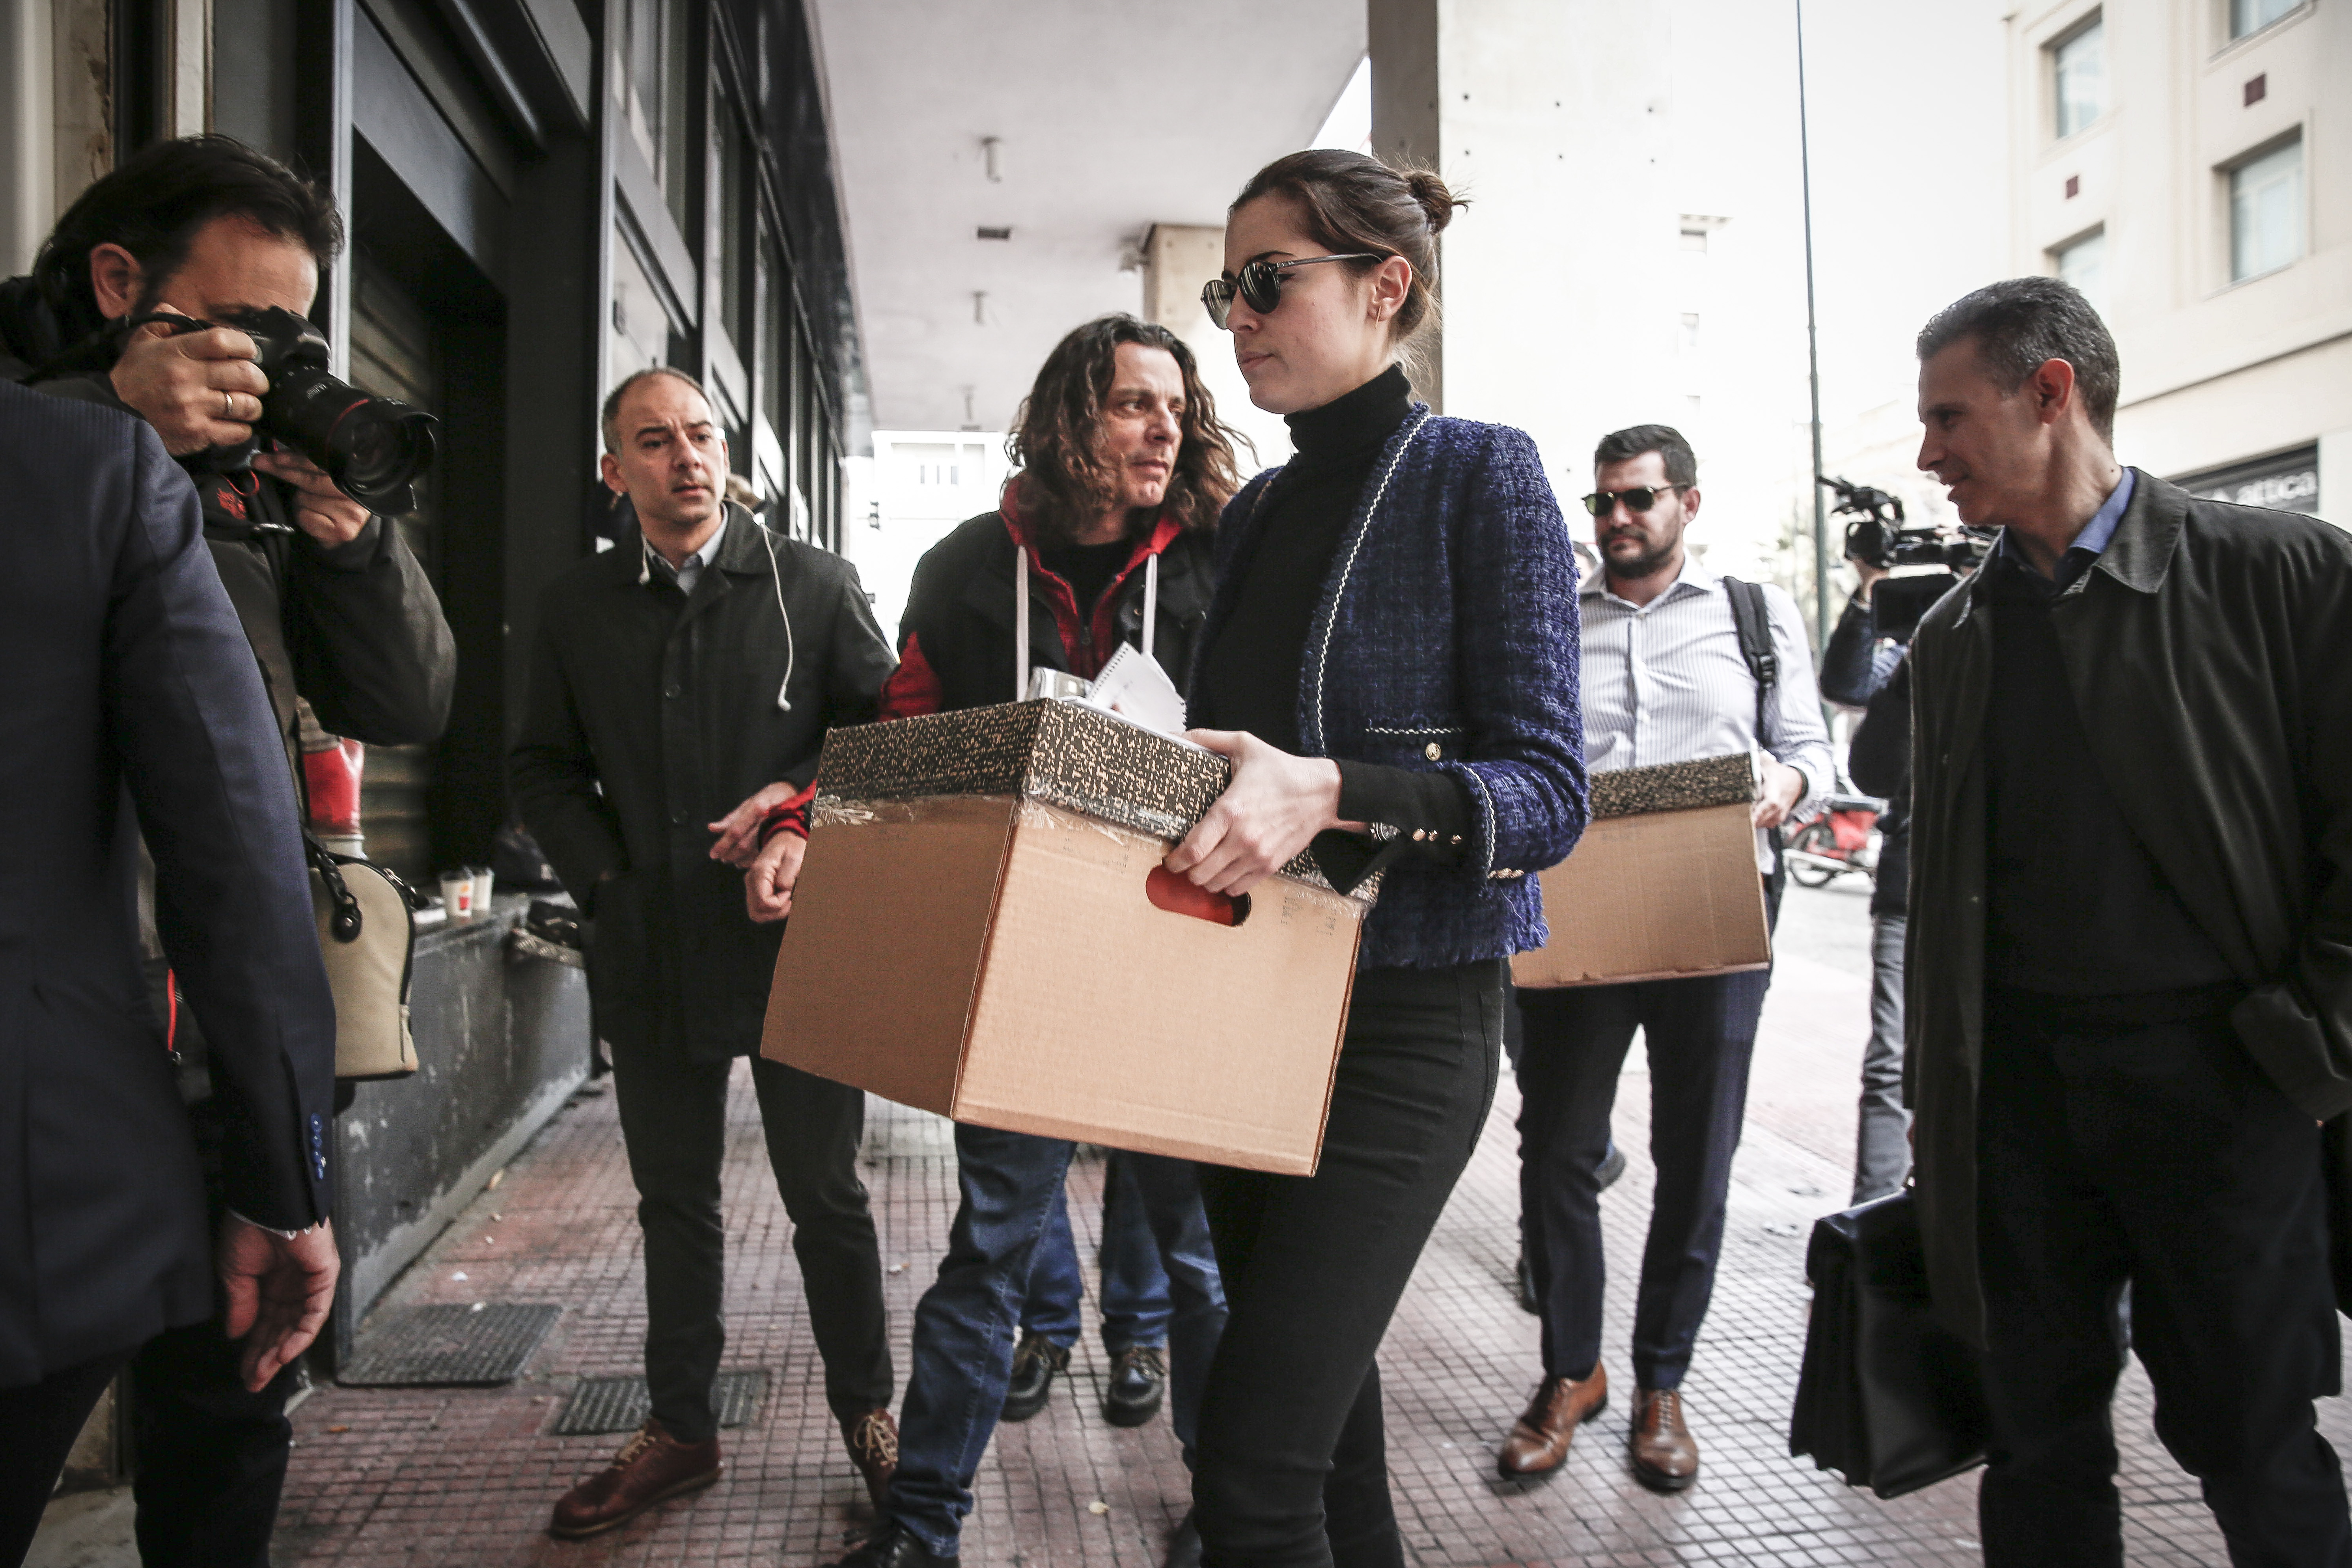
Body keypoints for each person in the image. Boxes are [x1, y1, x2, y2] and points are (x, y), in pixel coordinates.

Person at [0, 134, 454, 1568]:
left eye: (293, 337)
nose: (269, 369)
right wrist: (113, 418)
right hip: (76, 1046)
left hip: (235, 1041)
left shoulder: (259, 489)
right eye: (241, 326)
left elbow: (412, 701)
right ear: (118, 284)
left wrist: (349, 537)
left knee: (235, 1413)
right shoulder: (53, 435)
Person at [1173, 149, 1587, 1568]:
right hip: (1245, 1011)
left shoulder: (1480, 473)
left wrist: (1333, 791)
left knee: (1247, 1471)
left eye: (1266, 280)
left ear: (1382, 284)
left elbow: (1547, 795)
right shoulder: (1257, 512)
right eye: (1226, 292)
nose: (1237, 315)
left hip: (1406, 1021)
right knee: (1324, 1453)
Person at [1903, 276, 2352, 1565]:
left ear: (2050, 393)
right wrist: (1944, 1103)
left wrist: (2307, 1042)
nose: (1926, 453)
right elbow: (1939, 896)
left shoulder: (2284, 571)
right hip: (2019, 1110)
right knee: (2033, 1446)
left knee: (2251, 1439)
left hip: (2223, 1091)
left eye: (1947, 415)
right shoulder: (1951, 635)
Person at [821, 314, 1236, 1568]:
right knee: (988, 1250)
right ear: (1069, 419)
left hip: (1183, 959)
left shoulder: (1222, 559)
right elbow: (902, 749)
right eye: (1133, 404)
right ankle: (922, 1527)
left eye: (1177, 408)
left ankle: (1230, 1511)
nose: (1163, 429)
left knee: (1197, 1259)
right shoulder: (961, 566)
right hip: (1021, 962)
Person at [510, 367, 900, 1540]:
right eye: (653, 440)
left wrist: (797, 811)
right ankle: (680, 1429)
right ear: (612, 471)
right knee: (673, 1202)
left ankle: (871, 1417)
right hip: (652, 946)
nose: (685, 457)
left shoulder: (811, 585)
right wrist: (610, 883)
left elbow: (889, 738)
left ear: (725, 452)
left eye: (700, 434)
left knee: (826, 1196)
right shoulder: (577, 606)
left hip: (797, 938)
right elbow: (540, 767)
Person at [0, 381, 341, 1567]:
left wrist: (808, 820)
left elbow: (407, 695)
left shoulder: (814, 585)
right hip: (91, 1098)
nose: (254, 375)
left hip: (170, 1067)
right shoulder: (91, 459)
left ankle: (872, 1450)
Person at [1502, 424, 1833, 1492]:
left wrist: (1781, 789)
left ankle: (1661, 1384)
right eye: (1601, 501)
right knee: (1555, 1150)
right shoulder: (1555, 622)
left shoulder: (1751, 614)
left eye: (1637, 498)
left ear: (1686, 503)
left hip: (1713, 908)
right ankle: (1571, 1371)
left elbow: (1810, 751)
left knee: (1696, 1156)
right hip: (1584, 911)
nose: (1616, 518)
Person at [1817, 561, 1914, 1203]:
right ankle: (1876, 1225)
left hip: (2029, 888)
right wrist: (1871, 589)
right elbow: (1849, 686)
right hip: (1913, 885)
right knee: (1891, 1063)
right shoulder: (1920, 647)